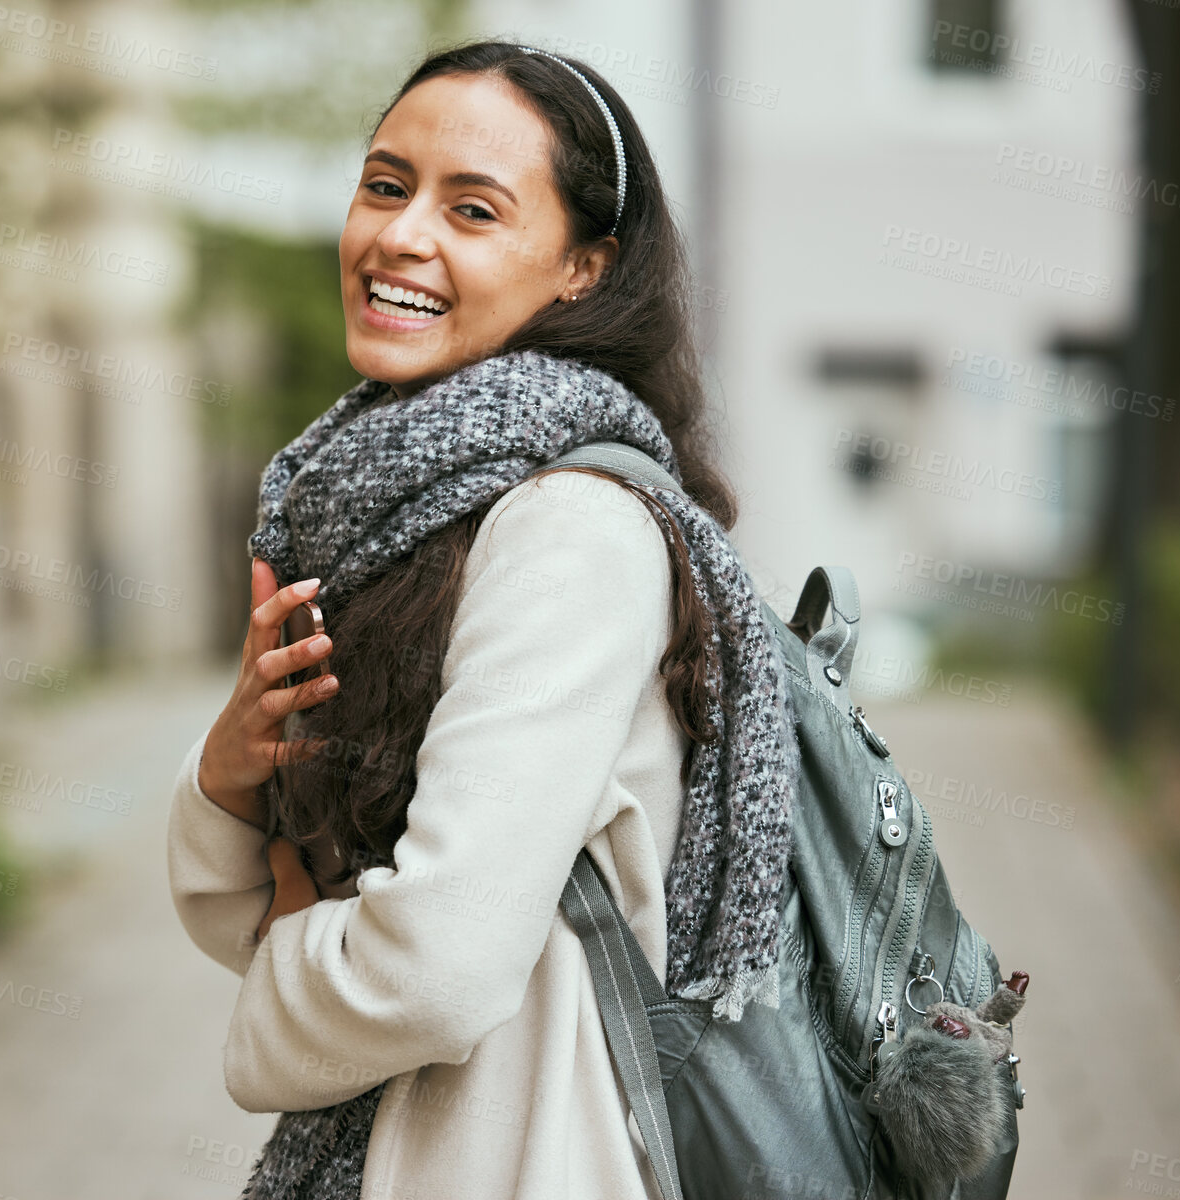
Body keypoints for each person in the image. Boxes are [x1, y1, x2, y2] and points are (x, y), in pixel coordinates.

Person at [166, 38, 797, 1200]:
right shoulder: (381, 509)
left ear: (582, 269)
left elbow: (431, 970)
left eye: (474, 209)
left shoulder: (571, 528)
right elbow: (282, 919)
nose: (402, 237)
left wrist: (290, 969)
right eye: (386, 186)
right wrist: (228, 779)